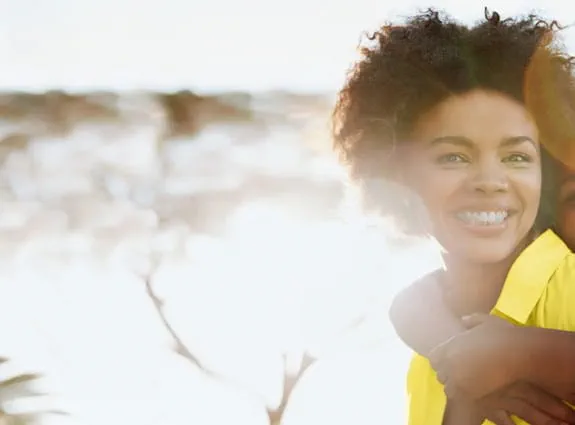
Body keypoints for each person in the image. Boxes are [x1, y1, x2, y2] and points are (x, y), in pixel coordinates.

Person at [332, 7, 575, 425]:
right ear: (398, 172)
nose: (489, 180)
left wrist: (526, 353)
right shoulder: (428, 347)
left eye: (517, 156)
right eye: (454, 156)